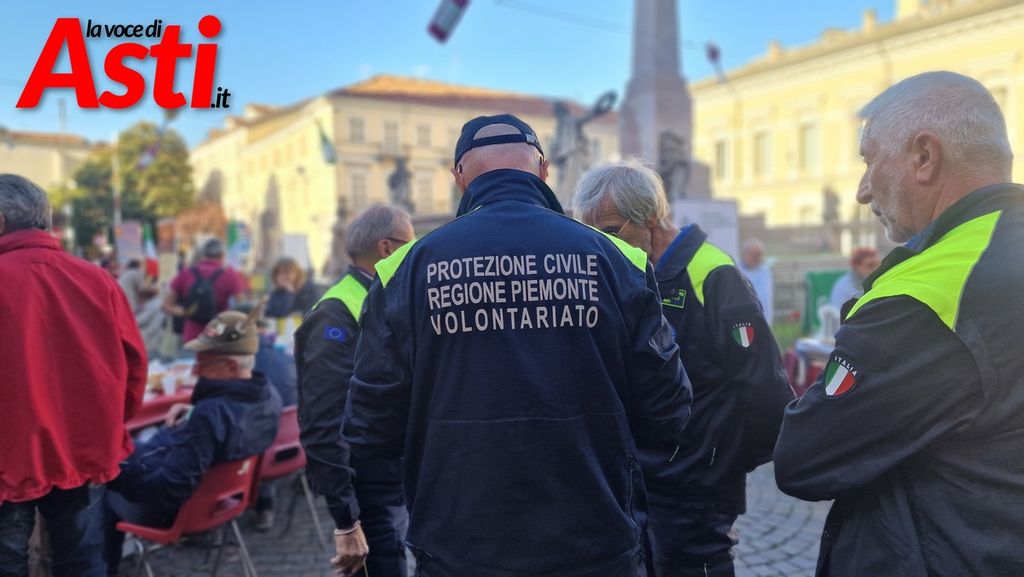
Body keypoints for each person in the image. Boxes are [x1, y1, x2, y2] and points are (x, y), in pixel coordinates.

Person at [342, 114, 693, 577]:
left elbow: (369, 429)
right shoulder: (619, 259)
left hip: (459, 541)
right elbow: (668, 409)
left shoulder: (402, 270)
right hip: (594, 536)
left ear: (459, 177)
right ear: (544, 170)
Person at [774, 71, 1024, 576]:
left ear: (924, 157)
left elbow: (802, 458)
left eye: (869, 161)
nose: (863, 191)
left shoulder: (926, 291)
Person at [575, 159, 793, 577]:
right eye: (592, 234)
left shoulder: (713, 273)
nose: (601, 245)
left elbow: (764, 384)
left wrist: (722, 460)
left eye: (611, 231)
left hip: (698, 483)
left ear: (650, 217)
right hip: (642, 478)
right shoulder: (626, 271)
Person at [0, 174, 147, 577]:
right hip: (82, 449)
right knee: (81, 561)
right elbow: (134, 367)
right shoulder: (97, 280)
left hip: (10, 456)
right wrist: (108, 425)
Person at [103, 309, 282, 575]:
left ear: (231, 367)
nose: (195, 370)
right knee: (134, 445)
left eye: (203, 363)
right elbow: (228, 423)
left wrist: (116, 473)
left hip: (178, 509)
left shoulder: (210, 415)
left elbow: (169, 490)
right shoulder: (268, 396)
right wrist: (191, 409)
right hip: (224, 499)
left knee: (102, 492)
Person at [294, 204, 414, 576]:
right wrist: (346, 519)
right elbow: (323, 420)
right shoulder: (337, 311)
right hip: (367, 492)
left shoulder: (381, 297)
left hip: (389, 479)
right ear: (387, 249)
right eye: (411, 246)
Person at [162, 238, 247, 343]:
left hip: (191, 337)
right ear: (222, 255)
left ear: (203, 254)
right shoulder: (230, 275)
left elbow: (166, 306)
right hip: (218, 335)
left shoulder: (186, 273)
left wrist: (187, 312)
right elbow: (242, 307)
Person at [827, 247, 880, 311]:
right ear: (857, 266)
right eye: (870, 265)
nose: (875, 269)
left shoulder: (879, 282)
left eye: (877, 265)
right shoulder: (843, 287)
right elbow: (837, 313)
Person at [736, 238, 773, 324]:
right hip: (744, 320)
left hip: (765, 319)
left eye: (759, 254)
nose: (757, 257)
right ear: (745, 254)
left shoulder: (765, 270)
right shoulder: (736, 270)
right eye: (754, 254)